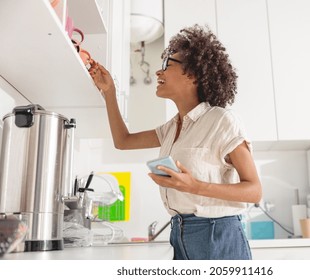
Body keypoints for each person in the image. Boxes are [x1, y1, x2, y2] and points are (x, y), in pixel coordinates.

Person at [89, 24, 262, 260]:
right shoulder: (172, 127)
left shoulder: (221, 121)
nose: (159, 73)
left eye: (167, 66)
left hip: (217, 236)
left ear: (192, 75)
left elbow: (254, 191)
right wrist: (109, 92)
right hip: (180, 233)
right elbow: (123, 141)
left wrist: (194, 186)